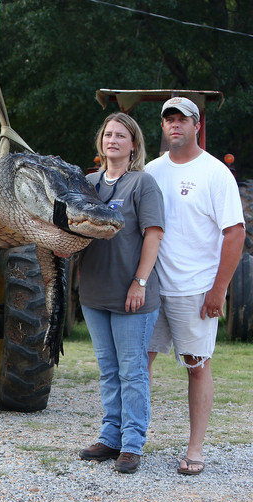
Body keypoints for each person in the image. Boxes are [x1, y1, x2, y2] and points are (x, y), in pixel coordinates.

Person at [147, 97, 245, 476]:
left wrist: (219, 289)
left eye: (182, 120)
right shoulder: (152, 171)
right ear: (163, 127)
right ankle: (131, 440)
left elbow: (234, 234)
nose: (175, 125)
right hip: (153, 286)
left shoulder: (216, 173)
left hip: (195, 288)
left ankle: (195, 448)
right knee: (140, 363)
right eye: (169, 119)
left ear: (196, 125)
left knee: (197, 366)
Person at [77, 113, 165, 474]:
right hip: (94, 293)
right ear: (101, 142)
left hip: (132, 296)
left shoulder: (143, 184)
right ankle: (110, 437)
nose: (112, 140)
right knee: (109, 370)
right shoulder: (86, 182)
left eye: (121, 135)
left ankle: (132, 444)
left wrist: (139, 282)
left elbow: (154, 235)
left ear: (133, 144)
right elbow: (76, 230)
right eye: (108, 134)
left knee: (132, 371)